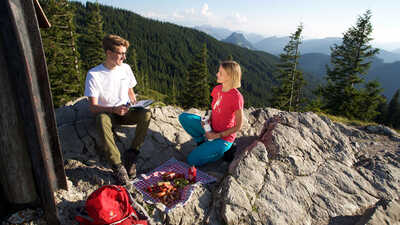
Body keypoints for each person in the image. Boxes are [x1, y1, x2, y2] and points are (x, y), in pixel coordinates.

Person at [84, 34, 152, 185]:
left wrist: (135, 102)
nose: (124, 57)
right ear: (109, 53)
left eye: (124, 53)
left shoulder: (125, 68)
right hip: (108, 113)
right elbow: (93, 107)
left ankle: (132, 154)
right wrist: (113, 109)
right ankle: (117, 165)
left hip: (126, 110)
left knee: (146, 114)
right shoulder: (94, 75)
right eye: (120, 54)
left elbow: (129, 89)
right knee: (101, 120)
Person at [179, 60, 244, 166]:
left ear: (230, 76)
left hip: (224, 137)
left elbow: (238, 126)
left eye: (221, 73)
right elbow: (214, 109)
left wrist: (217, 135)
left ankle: (224, 151)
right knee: (184, 117)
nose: (217, 74)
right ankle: (201, 141)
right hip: (212, 127)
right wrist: (207, 120)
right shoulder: (217, 89)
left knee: (191, 160)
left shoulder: (236, 97)